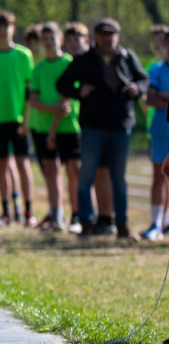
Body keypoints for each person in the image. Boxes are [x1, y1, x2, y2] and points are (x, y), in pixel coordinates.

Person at [56, 18, 148, 241]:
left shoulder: (127, 57)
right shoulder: (84, 60)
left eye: (111, 34)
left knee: (119, 179)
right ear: (95, 37)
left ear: (118, 36)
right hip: (92, 126)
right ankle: (86, 224)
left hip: (120, 126)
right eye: (103, 34)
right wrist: (79, 91)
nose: (107, 39)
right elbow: (62, 84)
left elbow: (143, 79)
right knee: (86, 177)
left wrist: (137, 88)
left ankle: (122, 225)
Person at [0, 11, 36, 227]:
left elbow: (30, 92)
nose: (3, 31)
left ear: (13, 29)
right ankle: (6, 212)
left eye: (6, 26)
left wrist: (27, 119)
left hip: (19, 119)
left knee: (23, 164)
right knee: (1, 165)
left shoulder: (24, 55)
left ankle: (28, 212)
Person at [28, 22, 79, 231]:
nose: (48, 43)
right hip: (43, 127)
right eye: (44, 39)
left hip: (69, 126)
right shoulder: (38, 68)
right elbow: (33, 100)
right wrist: (52, 108)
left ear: (60, 40)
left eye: (52, 38)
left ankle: (78, 216)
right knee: (51, 170)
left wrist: (59, 112)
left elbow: (67, 100)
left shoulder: (70, 63)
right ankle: (56, 215)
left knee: (74, 171)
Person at [62, 21, 97, 233]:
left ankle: (95, 215)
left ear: (86, 40)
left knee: (88, 173)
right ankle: (79, 214)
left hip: (88, 125)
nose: (73, 44)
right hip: (74, 125)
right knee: (74, 172)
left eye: (77, 39)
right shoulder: (70, 63)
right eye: (69, 40)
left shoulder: (95, 61)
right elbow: (62, 88)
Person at [143, 32, 169, 240]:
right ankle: (155, 223)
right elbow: (150, 99)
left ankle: (167, 221)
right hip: (160, 128)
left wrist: (164, 96)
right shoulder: (156, 69)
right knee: (160, 175)